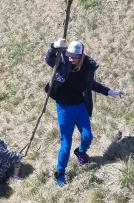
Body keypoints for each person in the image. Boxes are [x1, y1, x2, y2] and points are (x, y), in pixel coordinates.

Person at [44, 38, 125, 186]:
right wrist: (54, 46)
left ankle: (80, 152)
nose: (70, 59)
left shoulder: (87, 67)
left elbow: (91, 84)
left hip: (80, 106)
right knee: (66, 143)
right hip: (64, 108)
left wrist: (110, 92)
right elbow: (49, 58)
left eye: (74, 57)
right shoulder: (62, 62)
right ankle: (60, 171)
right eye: (69, 55)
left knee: (88, 136)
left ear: (81, 56)